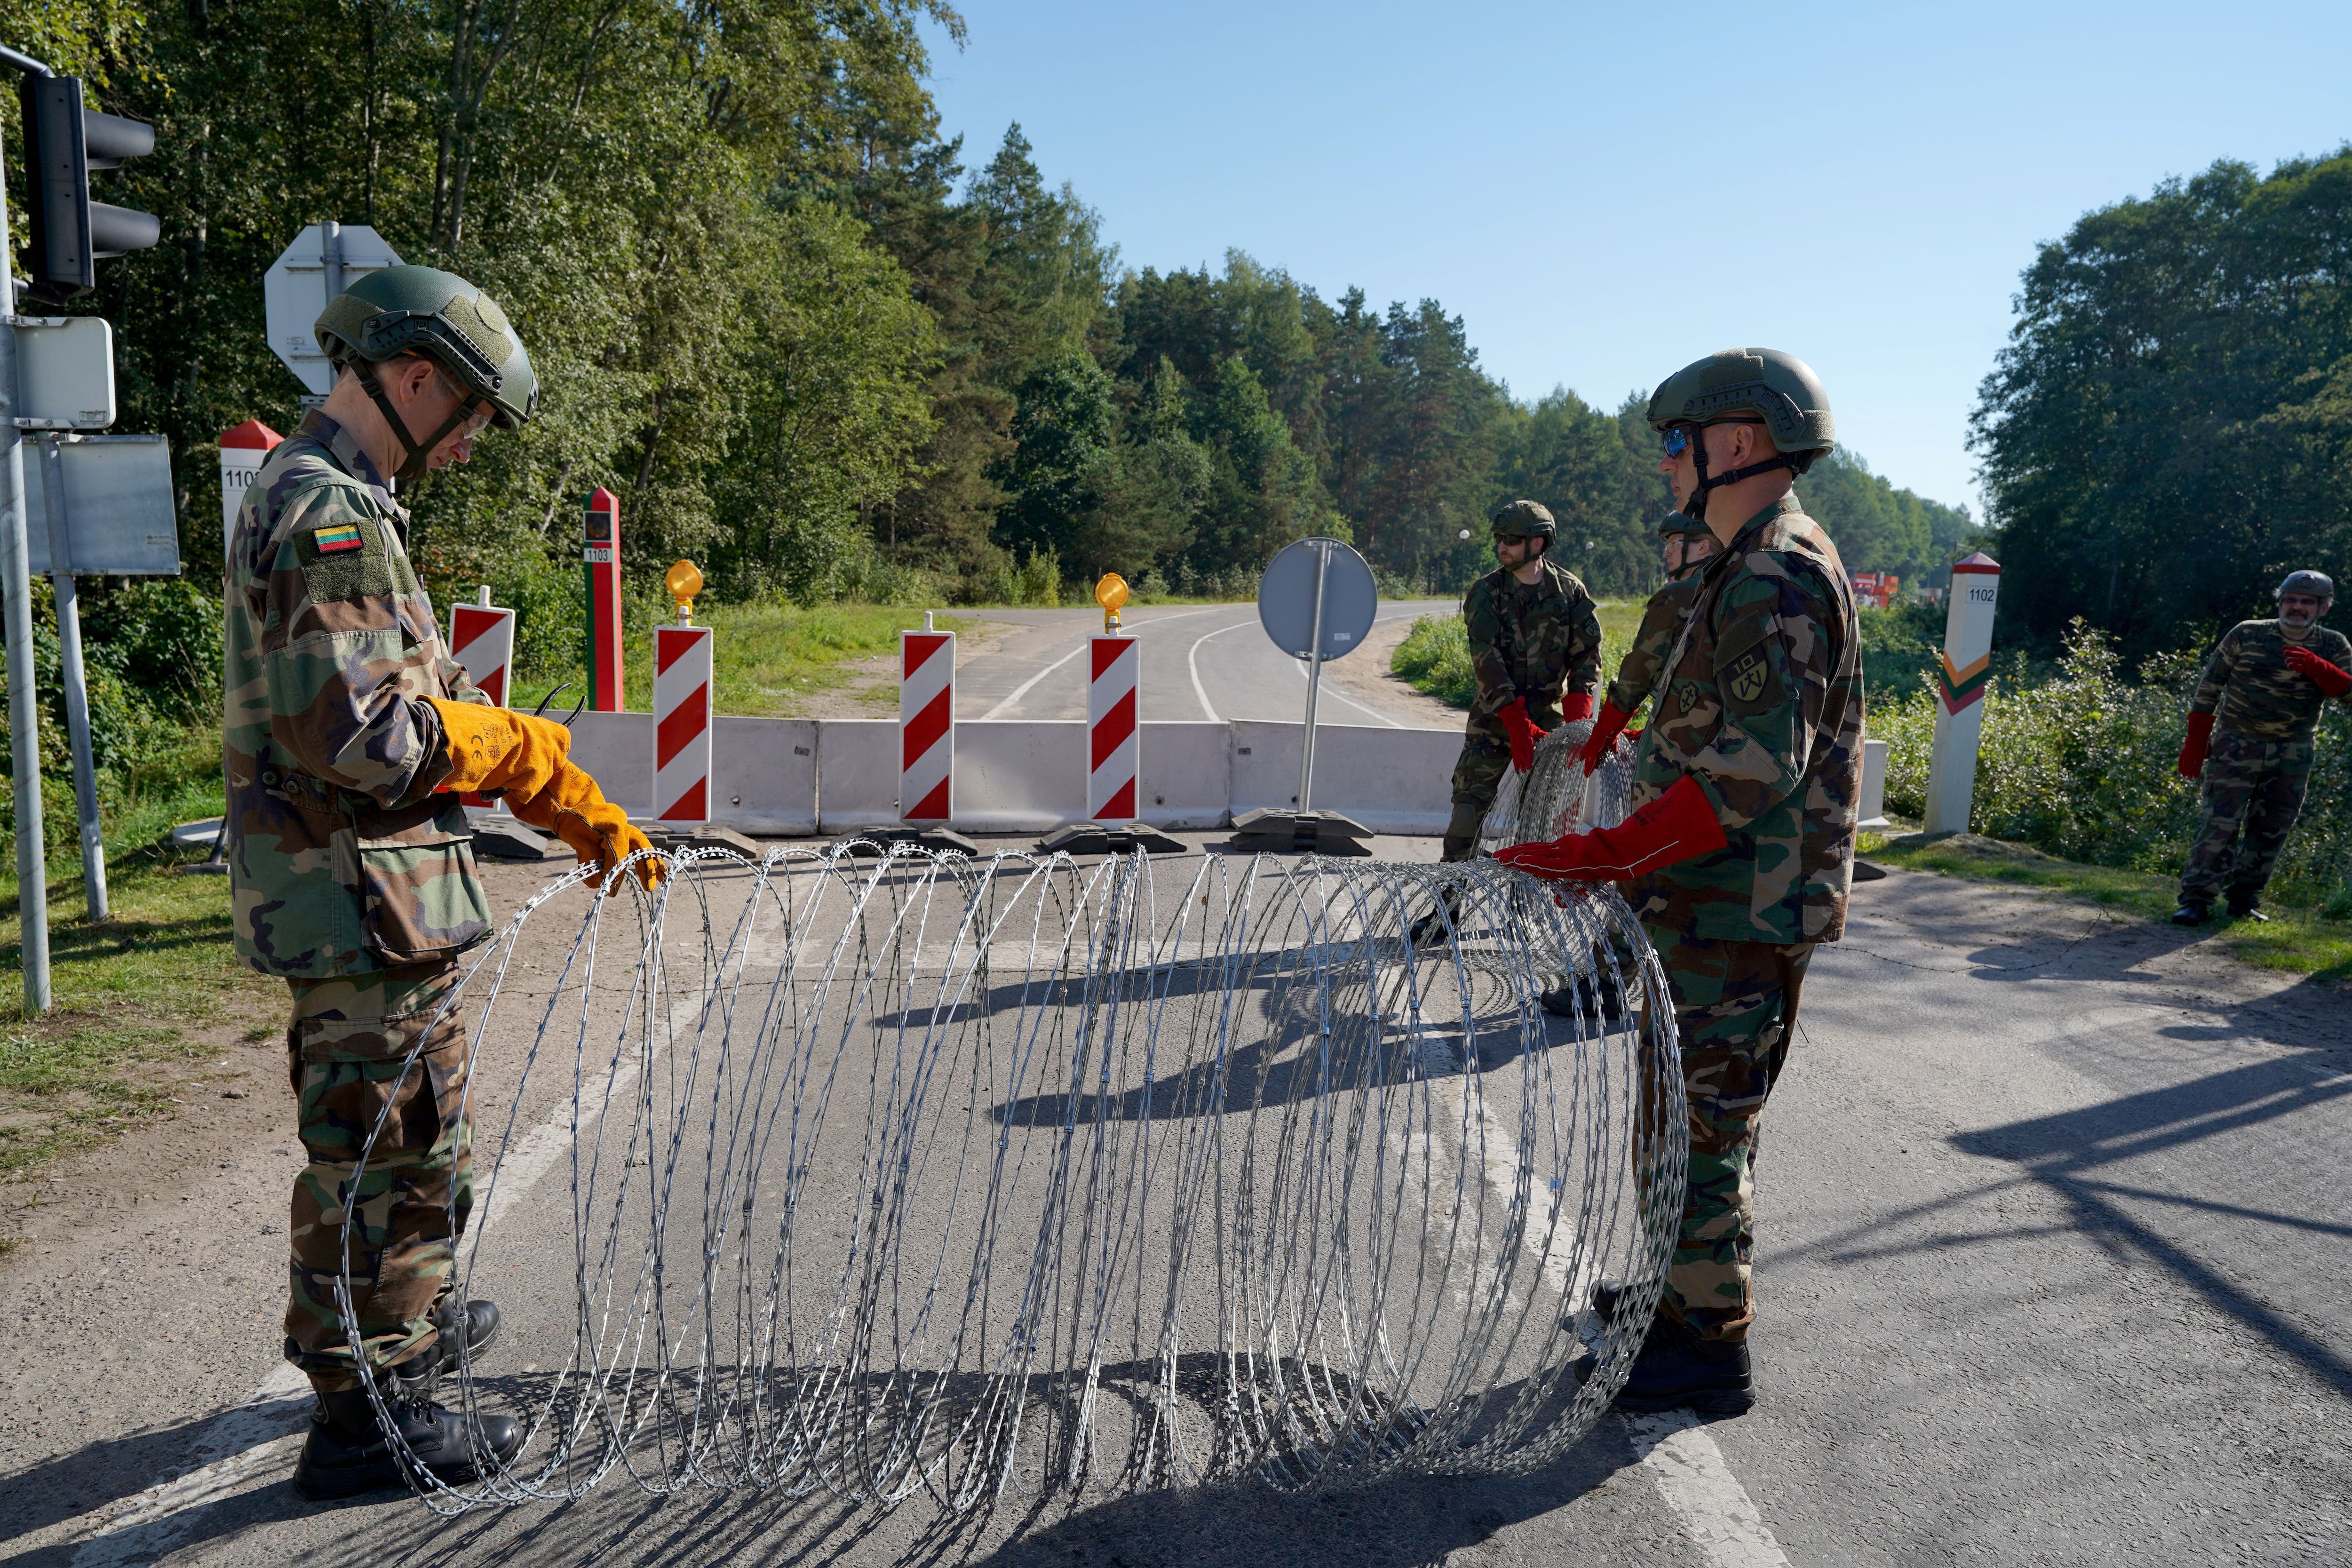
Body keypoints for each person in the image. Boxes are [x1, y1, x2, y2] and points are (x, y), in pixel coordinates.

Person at [225, 265, 658, 1499]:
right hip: (357, 899)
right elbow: (364, 736)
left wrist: (553, 786)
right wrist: (507, 750)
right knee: (389, 1148)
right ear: (412, 377)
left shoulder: (351, 498)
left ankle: (383, 1332)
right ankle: (374, 1414)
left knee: (400, 1138)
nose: (468, 443)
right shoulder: (328, 513)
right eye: (467, 413)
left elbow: (432, 699)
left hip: (376, 894)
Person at [1496, 348, 1863, 1416]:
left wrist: (1598, 858)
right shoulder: (1739, 562)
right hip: (1710, 902)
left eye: (1673, 443)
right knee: (1674, 1120)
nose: (1664, 465)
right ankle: (1674, 1301)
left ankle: (1705, 1348)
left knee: (1703, 1128)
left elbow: (1750, 774)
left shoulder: (1774, 573)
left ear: (1735, 443)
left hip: (1738, 908)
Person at [2171, 570, 2350, 925]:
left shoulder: (2333, 645)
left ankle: (2243, 900)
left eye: (2307, 602)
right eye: (2291, 600)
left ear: (2324, 608)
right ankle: (2196, 899)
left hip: (2294, 750)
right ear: (2281, 601)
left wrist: (2323, 671)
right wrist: (2197, 737)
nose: (2297, 607)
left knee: (2272, 827)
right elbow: (2211, 682)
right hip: (2237, 743)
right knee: (2219, 822)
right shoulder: (2248, 632)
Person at [1437, 500, 1605, 863]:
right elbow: (1487, 662)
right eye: (1499, 539)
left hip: (1546, 723)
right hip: (1494, 720)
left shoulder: (1570, 592)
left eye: (1511, 540)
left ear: (1538, 543)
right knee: (1466, 817)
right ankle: (1447, 910)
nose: (1502, 547)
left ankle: (1522, 912)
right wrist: (1514, 722)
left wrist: (1577, 722)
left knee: (1537, 825)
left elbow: (1586, 658)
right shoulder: (1487, 593)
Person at [1578, 511, 1721, 774]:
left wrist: (1605, 734)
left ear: (1702, 546)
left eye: (1674, 544)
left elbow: (1638, 675)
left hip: (1684, 748)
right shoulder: (1739, 586)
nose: (1666, 553)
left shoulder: (1677, 596)